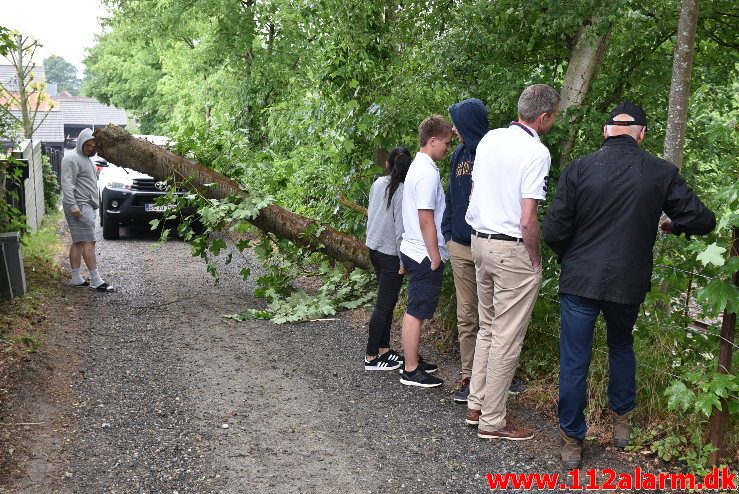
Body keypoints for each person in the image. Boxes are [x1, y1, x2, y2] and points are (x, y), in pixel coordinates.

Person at [542, 101, 715, 469]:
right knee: (621, 345)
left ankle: (572, 441)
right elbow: (703, 220)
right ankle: (622, 424)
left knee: (575, 360)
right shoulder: (660, 172)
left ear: (606, 131)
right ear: (641, 134)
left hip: (579, 280)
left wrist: (571, 256)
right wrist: (675, 224)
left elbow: (554, 230)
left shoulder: (579, 168)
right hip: (627, 280)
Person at [464, 84, 560, 440]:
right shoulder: (536, 152)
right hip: (511, 247)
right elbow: (527, 217)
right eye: (554, 117)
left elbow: (475, 195)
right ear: (544, 117)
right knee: (507, 336)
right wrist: (534, 257)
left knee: (488, 327)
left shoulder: (489, 140)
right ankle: (493, 421)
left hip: (480, 242)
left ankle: (476, 405)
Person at [398, 115, 453, 388]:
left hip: (412, 247)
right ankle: (410, 370)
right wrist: (435, 256)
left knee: (415, 308)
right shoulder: (428, 173)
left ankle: (412, 361)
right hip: (423, 251)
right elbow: (425, 219)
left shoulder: (417, 168)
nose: (448, 148)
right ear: (432, 141)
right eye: (446, 143)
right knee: (416, 310)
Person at [441, 98, 490, 402]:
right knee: (467, 315)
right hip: (460, 244)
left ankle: (495, 375)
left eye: (458, 125)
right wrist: (447, 233)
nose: (454, 132)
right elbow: (451, 195)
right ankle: (469, 375)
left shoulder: (493, 152)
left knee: (493, 315)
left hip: (488, 244)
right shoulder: (458, 154)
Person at [364, 147, 412, 370]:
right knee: (383, 306)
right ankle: (371, 356)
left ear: (388, 165)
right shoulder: (402, 191)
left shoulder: (377, 184)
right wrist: (404, 261)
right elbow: (400, 230)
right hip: (391, 255)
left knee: (387, 303)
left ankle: (383, 349)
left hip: (374, 249)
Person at [61, 128, 114, 292]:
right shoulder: (71, 159)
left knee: (78, 242)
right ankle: (96, 280)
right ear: (81, 142)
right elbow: (67, 184)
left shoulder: (88, 158)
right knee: (89, 242)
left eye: (93, 145)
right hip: (79, 206)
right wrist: (73, 206)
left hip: (86, 205)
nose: (91, 148)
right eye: (88, 145)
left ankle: (76, 278)